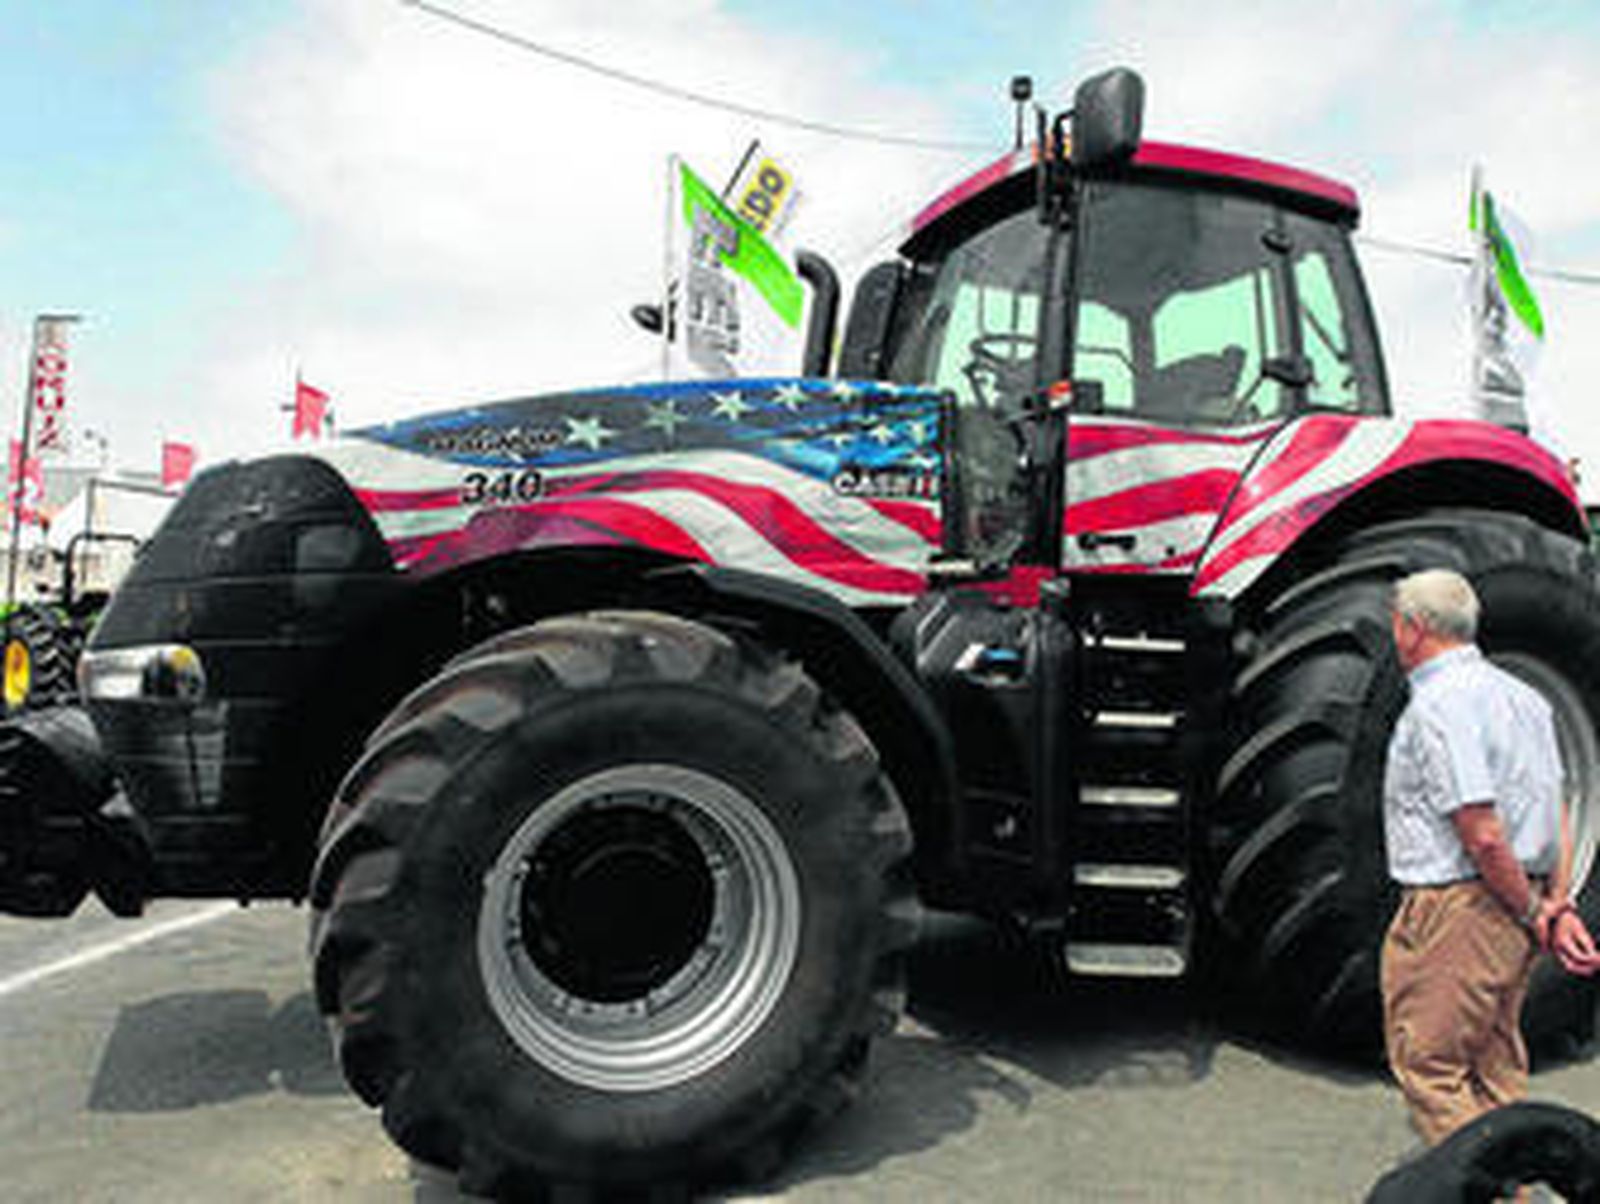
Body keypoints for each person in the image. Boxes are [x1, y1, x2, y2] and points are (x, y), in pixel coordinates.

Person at [1381, 567, 1600, 1147]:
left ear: (1412, 628)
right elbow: (1556, 808)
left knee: (1432, 1068)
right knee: (1495, 1068)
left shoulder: (1439, 707)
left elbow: (1481, 833)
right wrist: (1557, 905)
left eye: (1395, 623)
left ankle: (1486, 1193)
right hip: (1511, 908)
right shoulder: (1526, 699)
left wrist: (1534, 910)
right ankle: (1516, 1186)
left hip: (1460, 906)